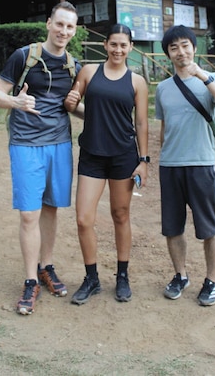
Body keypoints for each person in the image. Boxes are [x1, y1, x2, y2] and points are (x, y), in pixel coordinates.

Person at [0, 1, 82, 315]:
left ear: (74, 30)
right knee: (29, 214)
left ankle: (46, 266)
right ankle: (31, 281)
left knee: (51, 208)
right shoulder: (24, 56)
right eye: (59, 24)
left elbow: (79, 109)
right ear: (48, 23)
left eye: (69, 27)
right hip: (26, 144)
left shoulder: (74, 65)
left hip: (59, 145)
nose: (63, 31)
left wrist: (78, 107)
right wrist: (17, 101)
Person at [63, 24, 149, 304]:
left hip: (124, 156)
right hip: (92, 155)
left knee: (121, 214)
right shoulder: (88, 72)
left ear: (131, 48)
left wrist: (144, 161)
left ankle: (122, 276)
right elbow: (72, 104)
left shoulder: (137, 82)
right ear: (105, 46)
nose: (118, 50)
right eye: (113, 44)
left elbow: (142, 122)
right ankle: (92, 278)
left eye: (123, 45)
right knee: (83, 218)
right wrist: (70, 100)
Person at [154, 25, 215, 306]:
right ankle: (180, 275)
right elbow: (164, 128)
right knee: (172, 227)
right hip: (170, 165)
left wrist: (202, 75)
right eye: (174, 47)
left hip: (201, 163)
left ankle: (212, 281)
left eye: (185, 45)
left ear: (194, 47)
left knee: (209, 227)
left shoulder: (211, 78)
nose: (181, 51)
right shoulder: (163, 89)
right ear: (167, 53)